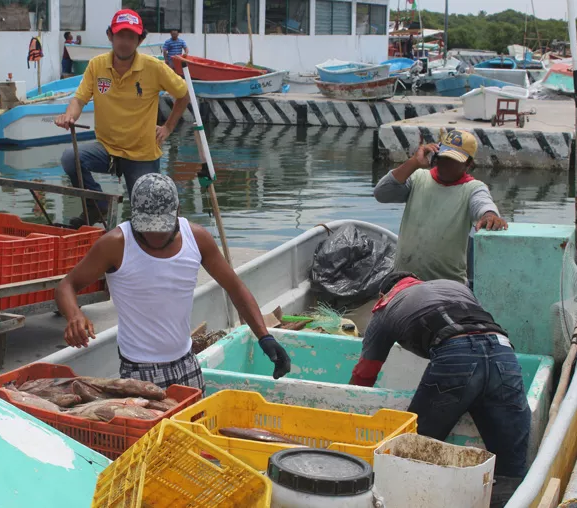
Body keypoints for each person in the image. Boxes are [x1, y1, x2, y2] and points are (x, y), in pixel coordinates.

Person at [55, 174, 291, 390]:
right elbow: (67, 285)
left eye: (161, 228)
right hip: (138, 369)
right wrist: (74, 315)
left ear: (177, 211)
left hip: (187, 363)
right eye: (148, 228)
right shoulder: (115, 244)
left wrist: (264, 337)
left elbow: (235, 287)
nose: (155, 236)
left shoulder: (197, 239)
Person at [349, 272, 530, 494]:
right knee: (511, 468)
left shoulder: (387, 306)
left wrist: (352, 409)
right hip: (503, 352)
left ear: (383, 293)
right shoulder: (455, 287)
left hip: (455, 355)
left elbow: (365, 373)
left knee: (413, 454)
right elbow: (477, 331)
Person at [55, 9, 191, 228]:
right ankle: (96, 204)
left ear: (140, 40)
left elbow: (183, 95)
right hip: (107, 149)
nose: (125, 42)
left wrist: (168, 127)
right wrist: (68, 116)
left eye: (131, 37)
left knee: (147, 218)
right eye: (120, 36)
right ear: (111, 36)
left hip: (142, 153)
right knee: (70, 158)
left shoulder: (154, 67)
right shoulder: (97, 65)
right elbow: (79, 100)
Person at [373, 130, 508, 284]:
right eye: (443, 156)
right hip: (404, 281)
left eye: (453, 160)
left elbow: (483, 203)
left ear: (468, 164)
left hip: (447, 285)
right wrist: (414, 163)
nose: (445, 163)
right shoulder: (418, 177)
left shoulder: (472, 188)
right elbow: (381, 194)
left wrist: (489, 215)